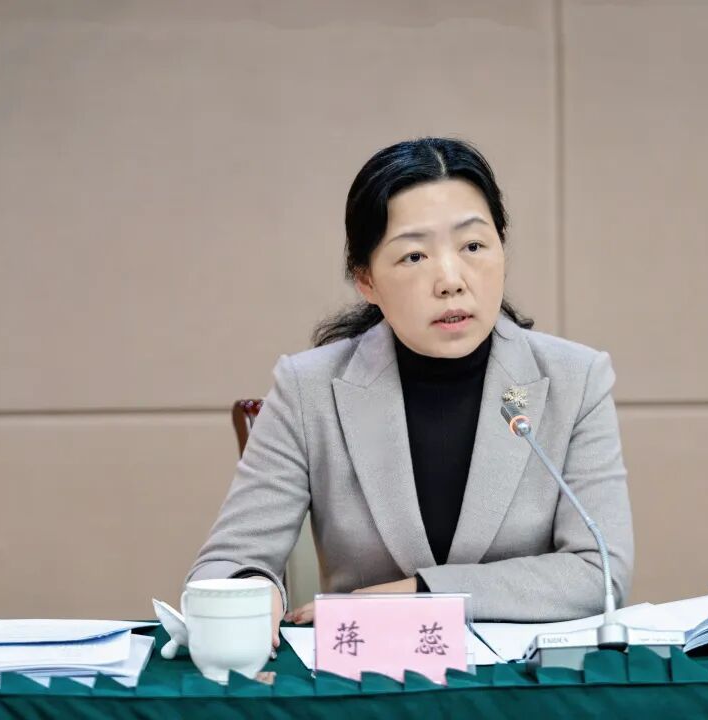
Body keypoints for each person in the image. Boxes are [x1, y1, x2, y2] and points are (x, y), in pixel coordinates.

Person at [186, 137, 633, 648]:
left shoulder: (576, 379)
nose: (450, 281)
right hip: (366, 675)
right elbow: (227, 562)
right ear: (366, 280)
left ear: (502, 250)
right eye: (414, 255)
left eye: (473, 246)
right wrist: (250, 588)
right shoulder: (308, 389)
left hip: (524, 681)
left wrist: (421, 593)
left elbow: (599, 571)